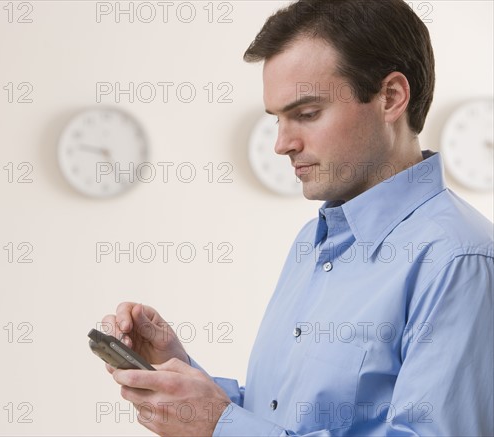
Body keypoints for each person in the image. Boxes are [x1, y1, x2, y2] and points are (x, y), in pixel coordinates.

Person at [101, 0, 494, 435]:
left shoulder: (460, 260)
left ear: (391, 97)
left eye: (306, 114)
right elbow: (284, 419)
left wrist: (221, 428)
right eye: (277, 119)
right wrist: (177, 369)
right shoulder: (313, 241)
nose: (282, 144)